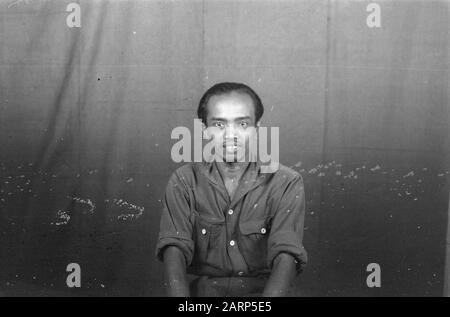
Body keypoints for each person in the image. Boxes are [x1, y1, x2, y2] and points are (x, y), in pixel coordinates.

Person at [156, 82, 307, 297]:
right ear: (204, 130)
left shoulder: (286, 182)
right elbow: (174, 250)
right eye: (219, 125)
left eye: (243, 124)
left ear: (258, 128)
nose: (231, 135)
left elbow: (286, 254)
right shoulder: (184, 181)